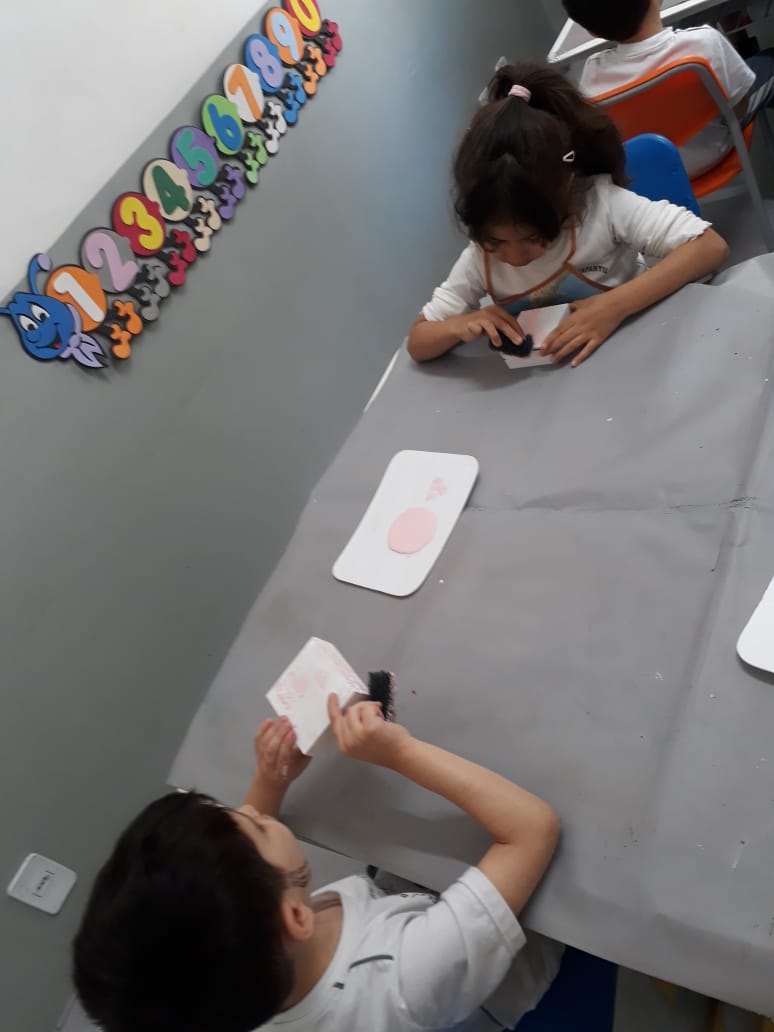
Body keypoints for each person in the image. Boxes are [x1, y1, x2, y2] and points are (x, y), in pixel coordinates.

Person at [72, 696, 563, 1032]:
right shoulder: (404, 981)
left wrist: (272, 780)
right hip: (511, 954)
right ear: (295, 917)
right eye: (257, 826)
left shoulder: (235, 990)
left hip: (398, 907)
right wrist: (399, 753)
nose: (253, 811)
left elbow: (244, 877)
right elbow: (532, 830)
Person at [408, 62, 728, 366]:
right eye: (497, 242)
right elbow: (418, 341)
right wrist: (459, 325)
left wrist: (615, 306)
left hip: (646, 348)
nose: (515, 257)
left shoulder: (600, 205)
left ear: (566, 191)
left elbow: (710, 246)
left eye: (533, 238)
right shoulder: (479, 258)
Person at [564, 0, 774, 178]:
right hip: (716, 149)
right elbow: (739, 109)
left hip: (656, 169)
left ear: (591, 32)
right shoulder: (704, 42)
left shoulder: (592, 75)